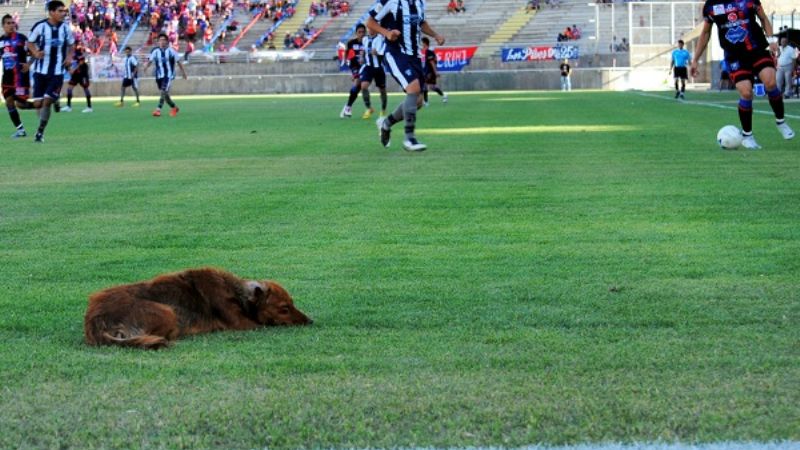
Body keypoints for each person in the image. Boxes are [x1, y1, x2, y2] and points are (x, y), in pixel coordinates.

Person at [691, 0, 794, 149]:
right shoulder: (711, 6)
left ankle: (781, 122)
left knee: (771, 83)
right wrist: (695, 59)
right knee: (746, 93)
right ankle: (747, 136)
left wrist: (771, 40)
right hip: (735, 56)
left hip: (757, 48)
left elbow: (764, 18)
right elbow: (705, 33)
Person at [367, 0, 445, 152]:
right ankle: (409, 138)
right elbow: (370, 22)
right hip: (395, 53)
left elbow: (421, 23)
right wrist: (387, 33)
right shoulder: (390, 1)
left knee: (418, 101)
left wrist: (435, 35)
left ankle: (386, 124)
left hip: (414, 56)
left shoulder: (419, 2)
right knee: (413, 89)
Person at [27, 0, 74, 143]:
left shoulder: (65, 28)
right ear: (52, 12)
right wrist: (35, 52)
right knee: (38, 104)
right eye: (60, 11)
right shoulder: (40, 26)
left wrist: (69, 57)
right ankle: (55, 99)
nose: (63, 13)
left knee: (46, 102)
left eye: (64, 11)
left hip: (57, 72)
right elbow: (30, 42)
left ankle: (40, 132)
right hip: (40, 72)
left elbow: (71, 45)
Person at [1, 13, 33, 138]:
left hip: (20, 78)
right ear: (3, 26)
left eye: (12, 22)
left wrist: (29, 64)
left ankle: (42, 104)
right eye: (8, 23)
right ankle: (21, 130)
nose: (11, 25)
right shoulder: (0, 41)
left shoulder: (22, 39)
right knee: (9, 102)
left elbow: (35, 53)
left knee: (21, 105)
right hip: (7, 77)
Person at [143, 33, 187, 117]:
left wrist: (183, 73)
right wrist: (146, 67)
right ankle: (174, 107)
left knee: (163, 91)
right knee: (165, 94)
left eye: (164, 40)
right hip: (159, 76)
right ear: (158, 42)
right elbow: (150, 61)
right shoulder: (155, 51)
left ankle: (158, 110)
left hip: (168, 75)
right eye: (160, 40)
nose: (162, 42)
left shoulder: (171, 51)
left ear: (167, 41)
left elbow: (179, 62)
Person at [358, 27, 388, 119]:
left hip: (379, 67)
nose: (370, 30)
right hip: (368, 67)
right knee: (363, 86)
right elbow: (363, 50)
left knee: (382, 90)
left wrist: (377, 53)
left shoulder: (381, 38)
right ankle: (369, 108)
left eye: (372, 28)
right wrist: (362, 57)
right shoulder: (365, 39)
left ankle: (383, 110)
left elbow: (384, 51)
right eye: (369, 28)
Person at [339, 23, 365, 118]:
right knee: (358, 82)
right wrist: (345, 60)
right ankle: (348, 108)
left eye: (363, 32)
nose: (361, 34)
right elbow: (346, 52)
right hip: (354, 66)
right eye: (359, 32)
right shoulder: (351, 43)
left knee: (358, 87)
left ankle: (347, 106)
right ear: (356, 33)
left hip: (365, 66)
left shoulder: (367, 42)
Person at [62, 43, 93, 113]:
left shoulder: (79, 52)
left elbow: (81, 62)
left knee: (85, 88)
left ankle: (89, 107)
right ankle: (68, 106)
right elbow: (67, 63)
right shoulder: (70, 53)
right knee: (69, 88)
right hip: (75, 74)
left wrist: (73, 69)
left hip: (82, 73)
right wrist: (68, 68)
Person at [421, 36, 447, 105]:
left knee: (427, 86)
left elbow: (432, 63)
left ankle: (426, 102)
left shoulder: (429, 52)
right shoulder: (428, 51)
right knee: (430, 86)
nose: (421, 45)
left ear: (425, 43)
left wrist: (435, 72)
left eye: (422, 43)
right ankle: (444, 95)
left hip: (430, 72)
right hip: (427, 71)